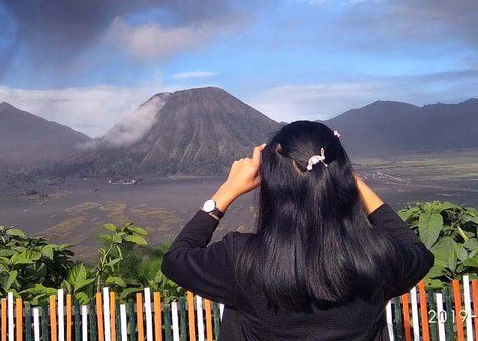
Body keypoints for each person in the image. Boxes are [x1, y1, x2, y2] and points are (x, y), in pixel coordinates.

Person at [161, 121, 434, 340]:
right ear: (341, 177)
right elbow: (417, 252)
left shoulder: (242, 260)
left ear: (273, 186)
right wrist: (350, 180)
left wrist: (227, 190)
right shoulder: (378, 257)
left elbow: (175, 260)